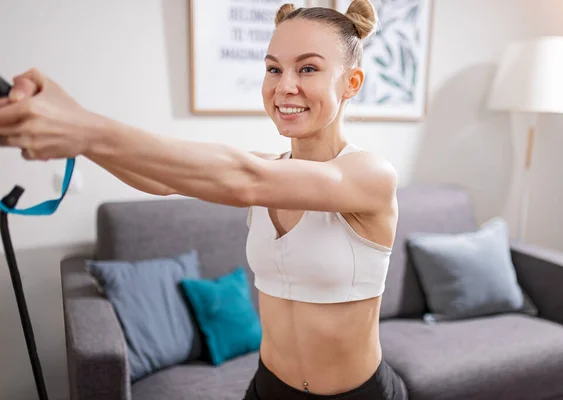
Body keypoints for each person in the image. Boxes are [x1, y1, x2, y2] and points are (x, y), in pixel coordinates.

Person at [0, 0, 407, 399]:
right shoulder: (269, 170)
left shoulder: (368, 176)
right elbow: (160, 180)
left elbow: (246, 181)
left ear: (351, 82)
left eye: (308, 68)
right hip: (267, 388)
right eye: (273, 68)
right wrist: (74, 128)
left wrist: (82, 129)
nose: (285, 85)